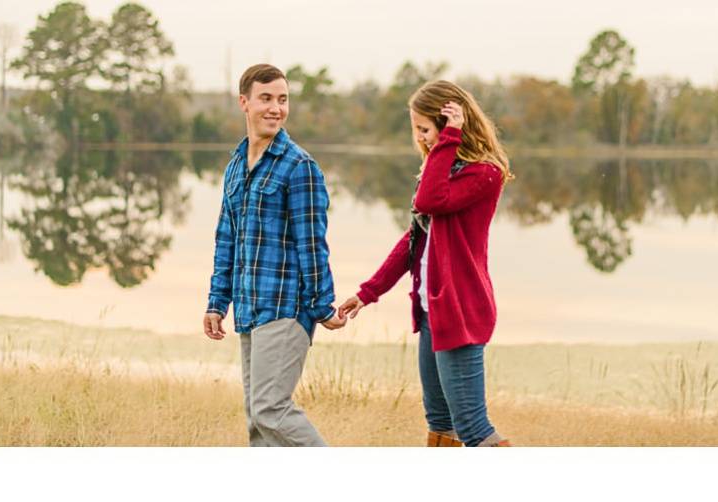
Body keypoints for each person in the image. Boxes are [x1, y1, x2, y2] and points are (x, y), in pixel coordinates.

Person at [339, 80, 513, 447]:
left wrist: (448, 139)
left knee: (473, 427)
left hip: (461, 311)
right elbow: (412, 243)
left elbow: (431, 200)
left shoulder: (483, 173)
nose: (420, 138)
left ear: (452, 125)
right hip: (432, 312)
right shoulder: (444, 170)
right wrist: (368, 293)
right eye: (416, 130)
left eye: (425, 129)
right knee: (440, 422)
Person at [203, 63, 346, 447]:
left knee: (270, 408)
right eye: (266, 99)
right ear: (244, 103)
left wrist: (322, 305)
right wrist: (218, 302)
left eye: (282, 100)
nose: (275, 109)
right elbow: (226, 241)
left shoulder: (300, 166)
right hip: (250, 308)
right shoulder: (236, 166)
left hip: (286, 308)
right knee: (257, 420)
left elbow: (312, 244)